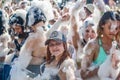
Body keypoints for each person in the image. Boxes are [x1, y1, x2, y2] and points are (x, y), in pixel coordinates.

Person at [10, 1, 54, 80]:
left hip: (31, 74)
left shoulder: (33, 38)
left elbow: (22, 63)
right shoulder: (45, 35)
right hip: (43, 74)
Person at [80, 11, 119, 80]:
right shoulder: (93, 45)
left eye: (117, 28)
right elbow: (83, 74)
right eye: (110, 27)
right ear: (102, 25)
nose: (114, 31)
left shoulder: (117, 46)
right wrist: (102, 67)